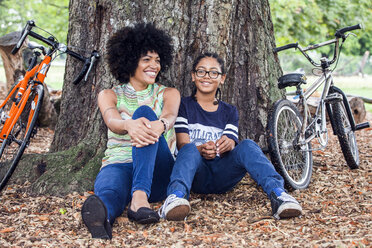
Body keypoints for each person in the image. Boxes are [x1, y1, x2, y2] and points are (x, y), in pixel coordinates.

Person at [158, 52, 302, 221]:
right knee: (190, 149)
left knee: (247, 145)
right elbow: (182, 145)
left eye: (213, 72)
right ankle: (175, 197)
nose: (207, 76)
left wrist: (228, 144)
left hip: (224, 174)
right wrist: (201, 149)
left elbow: (231, 143)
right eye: (201, 71)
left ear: (222, 78)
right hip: (195, 174)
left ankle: (279, 195)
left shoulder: (229, 111)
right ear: (193, 76)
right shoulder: (184, 106)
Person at [81, 23, 180, 239]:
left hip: (158, 171)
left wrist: (159, 125)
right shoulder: (109, 94)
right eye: (147, 60)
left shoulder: (168, 93)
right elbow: (112, 119)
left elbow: (170, 115)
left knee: (144, 112)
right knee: (109, 191)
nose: (154, 65)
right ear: (129, 60)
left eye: (157, 61)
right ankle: (103, 218)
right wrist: (129, 125)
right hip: (120, 163)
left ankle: (139, 198)